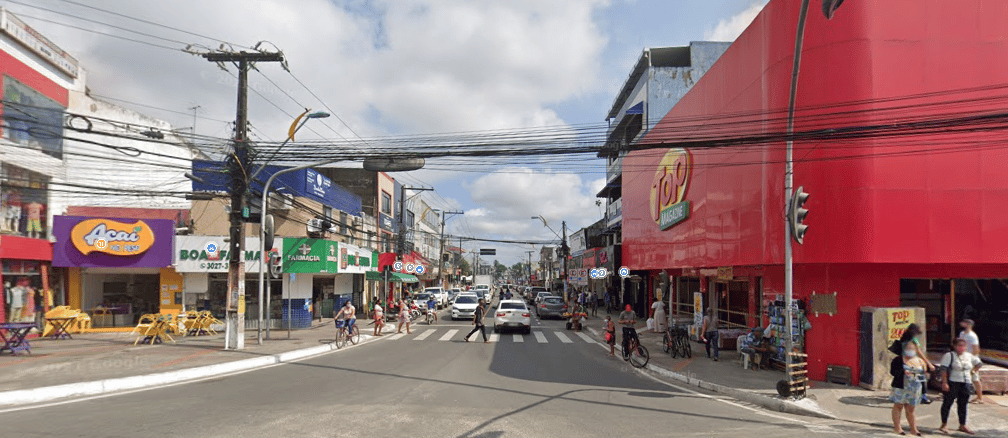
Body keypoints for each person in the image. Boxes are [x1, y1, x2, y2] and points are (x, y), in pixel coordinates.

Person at [938, 338, 983, 435]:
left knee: (963, 404)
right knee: (947, 403)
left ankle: (962, 424)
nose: (962, 348)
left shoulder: (969, 356)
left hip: (965, 382)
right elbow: (943, 369)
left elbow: (979, 363)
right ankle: (944, 423)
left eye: (963, 346)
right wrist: (944, 383)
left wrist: (973, 371)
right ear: (955, 346)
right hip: (953, 382)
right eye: (959, 345)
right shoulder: (950, 355)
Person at [889, 323, 936, 404]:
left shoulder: (904, 337)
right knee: (920, 379)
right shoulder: (912, 339)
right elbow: (919, 352)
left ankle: (901, 396)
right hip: (912, 363)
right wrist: (928, 363)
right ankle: (922, 397)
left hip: (903, 362)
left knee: (904, 380)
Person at [891, 341, 927, 436]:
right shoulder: (897, 360)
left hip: (914, 387)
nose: (910, 351)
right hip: (901, 386)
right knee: (898, 406)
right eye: (908, 349)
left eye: (912, 349)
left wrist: (924, 391)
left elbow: (923, 375)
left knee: (911, 408)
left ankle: (913, 429)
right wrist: (903, 371)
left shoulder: (919, 361)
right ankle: (897, 428)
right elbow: (893, 372)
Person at [958, 319, 984, 403]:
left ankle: (980, 398)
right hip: (963, 358)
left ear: (969, 325)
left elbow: (976, 349)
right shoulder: (962, 333)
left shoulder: (972, 336)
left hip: (971, 360)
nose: (961, 323)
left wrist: (971, 360)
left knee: (975, 378)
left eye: (964, 322)